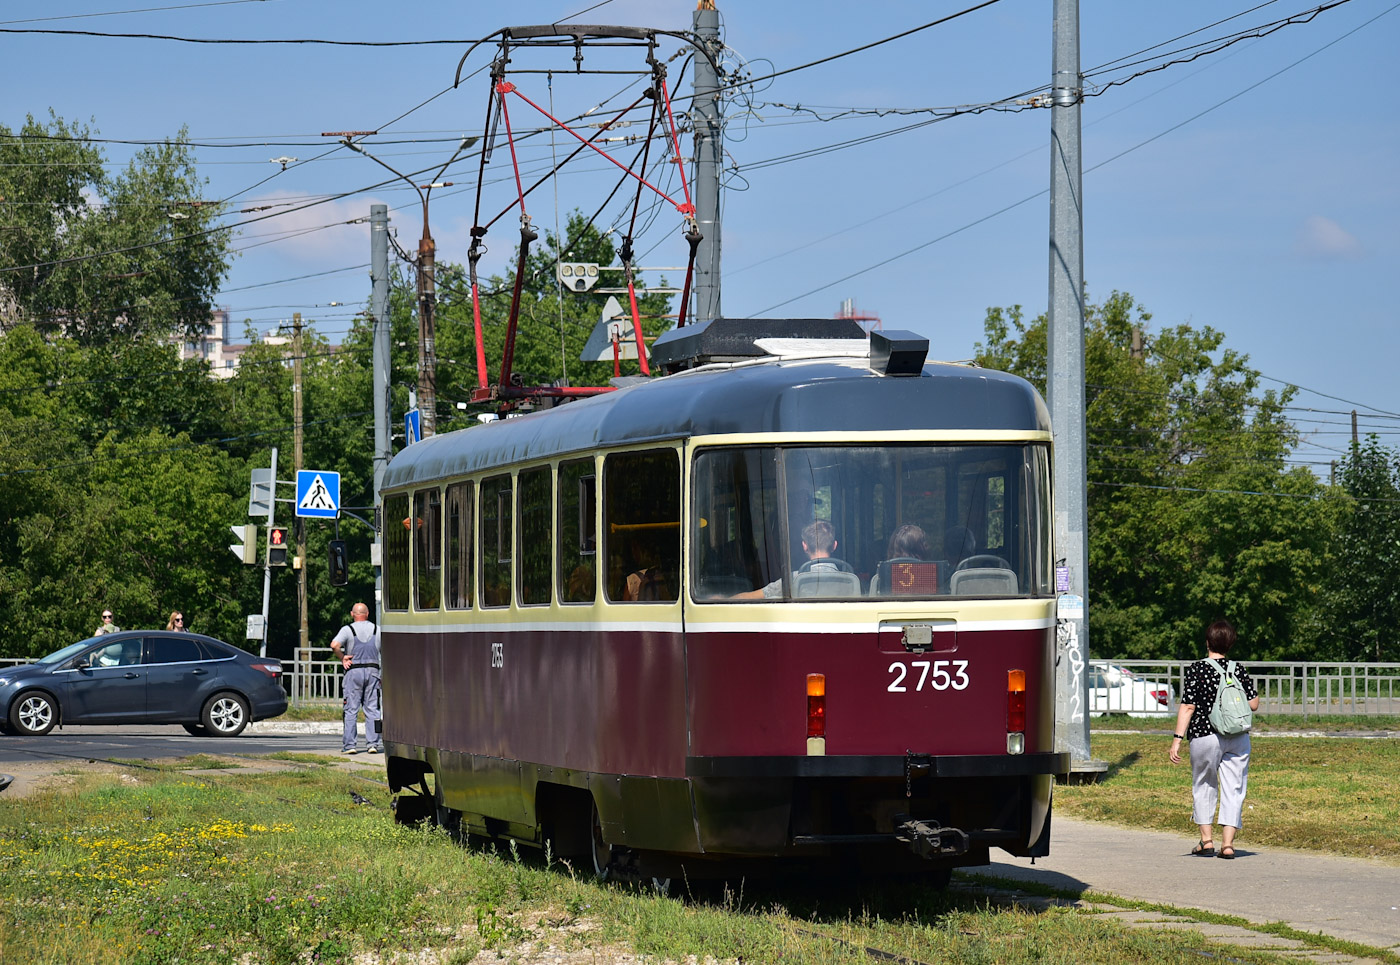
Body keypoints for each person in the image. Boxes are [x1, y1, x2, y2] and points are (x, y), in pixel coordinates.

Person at [1168, 619, 1261, 860]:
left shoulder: (1197, 669)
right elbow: (1253, 704)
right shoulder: (1238, 668)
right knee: (1234, 788)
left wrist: (1177, 739)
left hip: (1204, 735)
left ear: (1207, 642)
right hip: (1238, 736)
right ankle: (1228, 846)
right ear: (1230, 644)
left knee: (1204, 784)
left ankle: (1207, 842)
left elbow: (1188, 706)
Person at [732, 520, 845, 600]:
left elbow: (749, 597)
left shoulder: (791, 581)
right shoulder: (850, 581)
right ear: (834, 546)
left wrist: (721, 598)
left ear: (804, 546)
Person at [331, 602, 382, 754]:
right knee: (373, 710)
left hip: (353, 673)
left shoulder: (347, 629)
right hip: (373, 672)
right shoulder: (377, 629)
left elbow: (334, 645)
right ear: (368, 614)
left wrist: (343, 658)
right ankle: (373, 744)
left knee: (351, 710)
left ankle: (350, 746)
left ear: (352, 614)